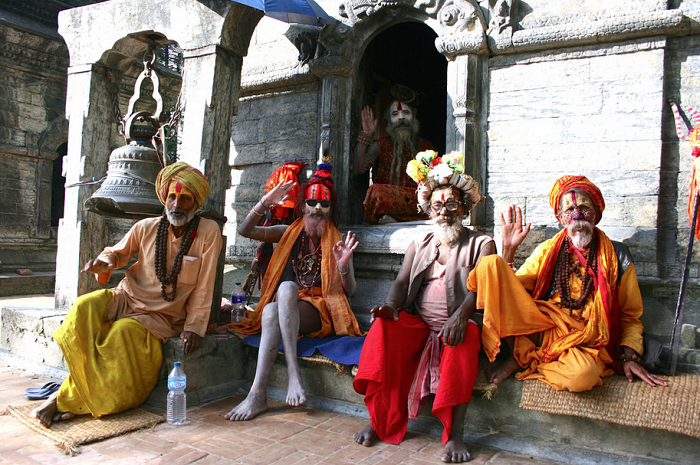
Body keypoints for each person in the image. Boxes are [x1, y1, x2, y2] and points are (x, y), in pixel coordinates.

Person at [32, 162, 223, 427]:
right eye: (172, 196)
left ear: (195, 203)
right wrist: (105, 261)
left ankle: (65, 399)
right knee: (84, 306)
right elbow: (117, 252)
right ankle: (78, 391)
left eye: (184, 198)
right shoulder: (146, 227)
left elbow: (205, 284)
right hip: (126, 297)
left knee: (121, 334)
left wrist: (194, 327)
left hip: (161, 317)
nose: (176, 204)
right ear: (165, 198)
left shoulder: (208, 232)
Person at [353, 151, 495, 463]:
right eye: (437, 205)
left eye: (452, 204)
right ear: (429, 210)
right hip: (420, 326)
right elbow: (402, 284)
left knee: (463, 339)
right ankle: (380, 420)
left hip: (460, 324)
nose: (445, 211)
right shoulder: (420, 243)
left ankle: (455, 435)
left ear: (464, 208)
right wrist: (391, 307)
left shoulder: (482, 243)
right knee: (382, 329)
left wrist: (461, 316)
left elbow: (481, 287)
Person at [468, 175, 668, 392]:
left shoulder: (617, 255)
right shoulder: (548, 249)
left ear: (596, 213)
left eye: (584, 207)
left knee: (582, 377)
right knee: (491, 264)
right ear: (560, 218)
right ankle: (522, 355)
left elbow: (630, 315)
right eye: (570, 210)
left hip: (585, 340)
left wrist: (630, 357)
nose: (578, 216)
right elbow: (509, 291)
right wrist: (509, 250)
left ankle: (526, 359)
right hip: (542, 327)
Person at [225, 156, 362, 421]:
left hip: (320, 311)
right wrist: (267, 201)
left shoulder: (338, 241)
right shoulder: (288, 232)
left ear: (331, 209)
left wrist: (344, 264)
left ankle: (292, 375)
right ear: (303, 206)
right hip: (290, 308)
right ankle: (257, 395)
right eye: (311, 202)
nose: (317, 208)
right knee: (269, 311)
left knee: (285, 289)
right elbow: (244, 230)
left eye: (324, 204)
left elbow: (351, 291)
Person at [353, 84, 436, 223]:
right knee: (376, 191)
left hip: (417, 200)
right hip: (387, 201)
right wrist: (366, 135)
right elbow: (357, 169)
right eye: (395, 114)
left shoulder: (426, 146)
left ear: (414, 117)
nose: (401, 118)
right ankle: (399, 219)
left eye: (406, 113)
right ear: (389, 121)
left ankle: (396, 219)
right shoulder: (380, 145)